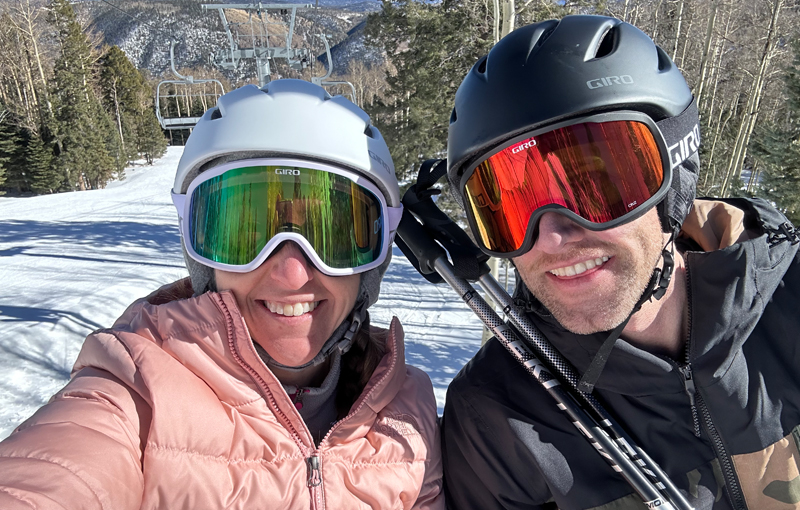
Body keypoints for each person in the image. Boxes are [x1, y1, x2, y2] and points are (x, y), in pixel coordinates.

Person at [0, 79, 444, 509]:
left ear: (375, 258)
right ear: (202, 261)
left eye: (332, 236)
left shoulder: (407, 411)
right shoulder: (137, 393)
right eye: (244, 233)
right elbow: (53, 472)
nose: (291, 273)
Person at [440, 15, 800, 510]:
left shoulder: (790, 304)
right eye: (510, 206)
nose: (552, 236)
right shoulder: (500, 418)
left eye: (594, 186)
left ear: (675, 175)